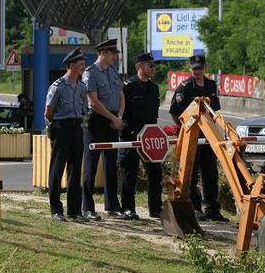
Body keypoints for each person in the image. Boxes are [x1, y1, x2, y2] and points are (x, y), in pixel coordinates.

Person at [169, 55, 228, 222]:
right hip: (191, 138)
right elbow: (175, 113)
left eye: (200, 68)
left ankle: (212, 209)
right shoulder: (185, 87)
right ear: (190, 69)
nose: (197, 71)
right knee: (191, 174)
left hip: (208, 137)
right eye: (194, 68)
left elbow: (214, 109)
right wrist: (184, 130)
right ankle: (195, 208)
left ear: (205, 68)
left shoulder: (210, 85)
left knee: (211, 174)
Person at [82, 38, 125, 221]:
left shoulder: (113, 72)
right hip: (97, 121)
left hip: (114, 120)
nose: (115, 56)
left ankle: (112, 205)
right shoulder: (90, 73)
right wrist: (113, 118)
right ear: (103, 53)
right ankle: (88, 207)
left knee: (110, 164)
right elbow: (93, 101)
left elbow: (121, 95)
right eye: (113, 53)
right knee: (91, 164)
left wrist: (119, 117)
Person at [44, 48, 87, 222]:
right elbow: (48, 112)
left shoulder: (82, 86)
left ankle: (75, 210)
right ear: (71, 65)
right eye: (81, 63)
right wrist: (55, 129)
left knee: (75, 169)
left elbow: (83, 108)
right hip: (61, 127)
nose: (84, 66)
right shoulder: (58, 86)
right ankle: (56, 209)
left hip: (76, 127)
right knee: (57, 168)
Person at [118, 52, 162, 220]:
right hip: (131, 134)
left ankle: (155, 208)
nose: (153, 68)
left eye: (154, 65)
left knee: (155, 172)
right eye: (150, 65)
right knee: (129, 172)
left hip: (149, 135)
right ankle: (128, 208)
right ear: (140, 66)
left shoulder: (154, 88)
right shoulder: (128, 86)